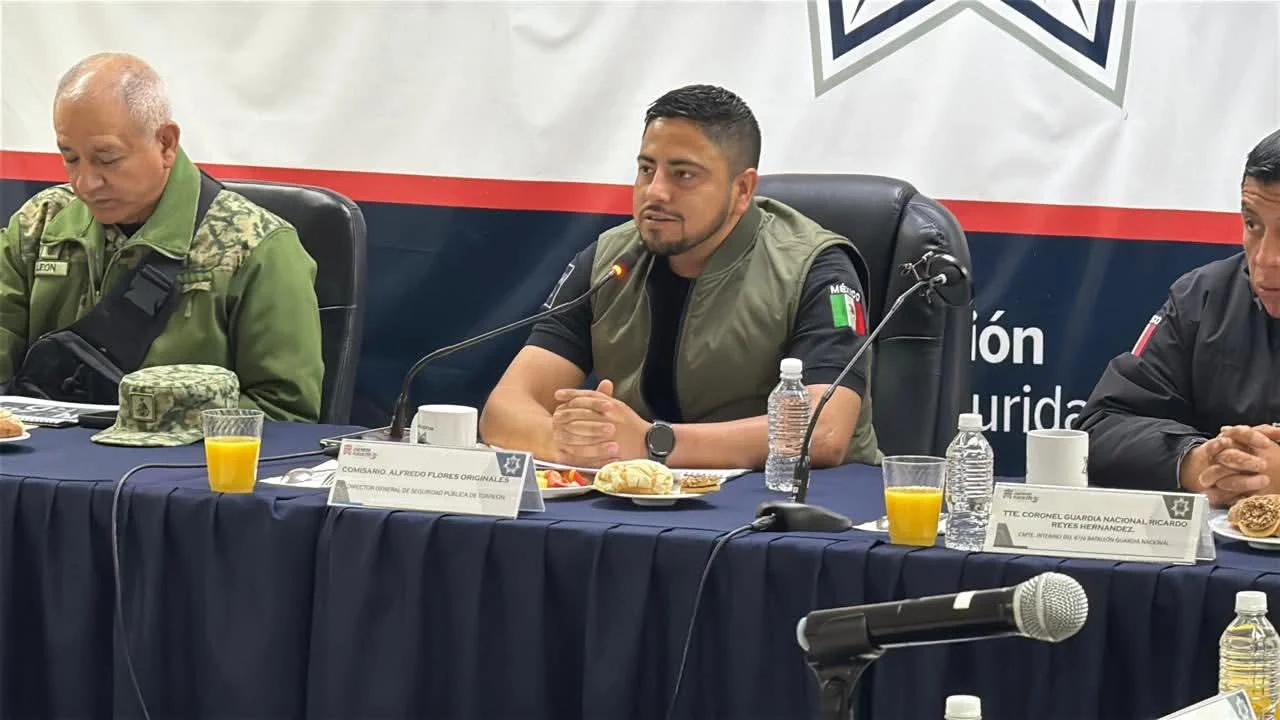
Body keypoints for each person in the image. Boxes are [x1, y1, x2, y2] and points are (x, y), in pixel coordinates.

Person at [479, 84, 880, 470]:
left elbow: (825, 430)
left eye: (683, 174)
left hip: (797, 503)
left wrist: (653, 443)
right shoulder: (608, 261)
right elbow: (503, 409)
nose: (655, 192)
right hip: (643, 496)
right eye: (646, 169)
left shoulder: (817, 267)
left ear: (742, 189)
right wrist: (576, 445)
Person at [0, 52, 324, 422]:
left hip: (183, 458)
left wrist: (152, 422)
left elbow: (284, 413)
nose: (85, 182)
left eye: (107, 159)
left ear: (166, 143)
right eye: (71, 158)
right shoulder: (38, 225)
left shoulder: (256, 247)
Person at [1076, 127, 1280, 506]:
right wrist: (1195, 462)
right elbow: (1102, 426)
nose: (1266, 259)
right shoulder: (1204, 298)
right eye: (1253, 224)